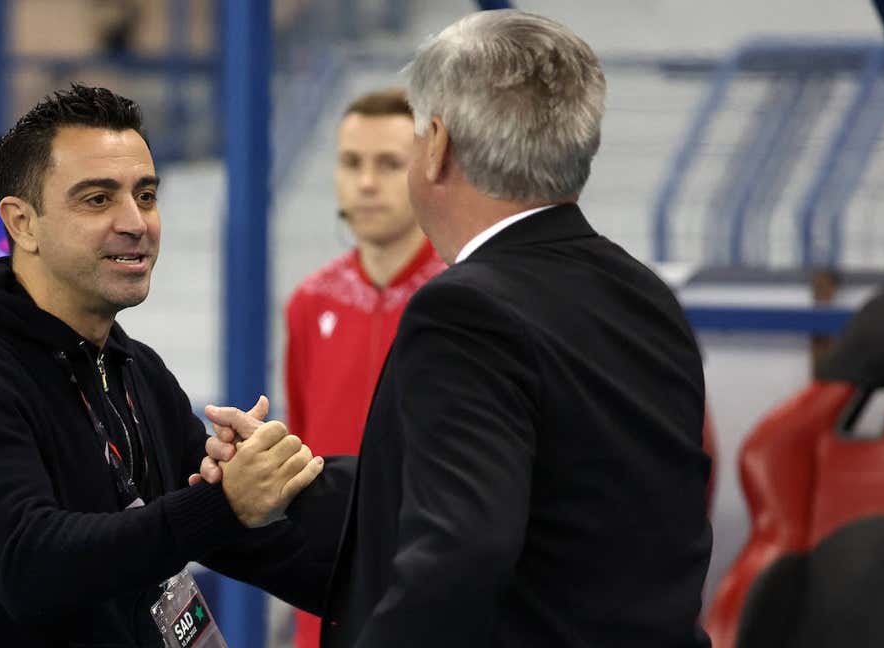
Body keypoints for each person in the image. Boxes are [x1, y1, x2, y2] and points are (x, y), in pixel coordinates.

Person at [201, 10, 712, 647]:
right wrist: (300, 482)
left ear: (437, 145)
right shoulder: (643, 294)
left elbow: (460, 553)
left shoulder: (465, 311)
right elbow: (555, 497)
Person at [0, 84, 324, 647]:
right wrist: (222, 502)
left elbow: (253, 542)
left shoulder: (135, 370)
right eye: (98, 199)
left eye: (145, 196)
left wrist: (270, 482)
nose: (135, 222)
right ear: (22, 223)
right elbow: (31, 566)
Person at [283, 87, 445, 648]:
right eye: (352, 163)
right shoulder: (310, 301)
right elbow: (304, 446)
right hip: (329, 586)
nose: (367, 183)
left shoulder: (458, 302)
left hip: (429, 580)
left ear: (428, 170)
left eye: (389, 164)